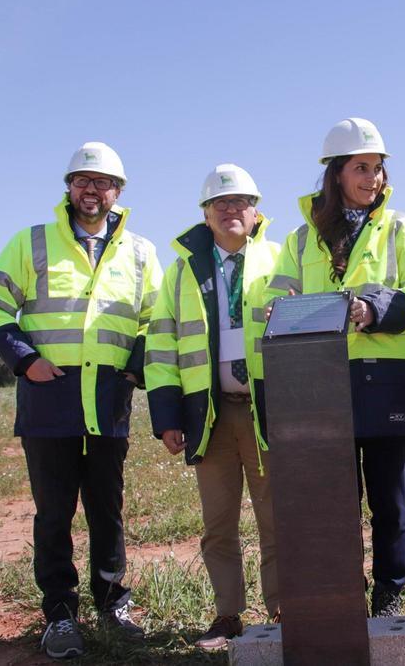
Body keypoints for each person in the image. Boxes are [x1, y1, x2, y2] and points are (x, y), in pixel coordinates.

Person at [0, 141, 162, 659]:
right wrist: (23, 359)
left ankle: (112, 602)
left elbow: (157, 319)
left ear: (118, 191)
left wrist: (134, 365)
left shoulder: (141, 252)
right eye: (82, 179)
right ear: (69, 187)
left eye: (102, 181)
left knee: (108, 509)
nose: (92, 189)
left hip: (108, 402)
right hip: (48, 400)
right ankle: (59, 614)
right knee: (53, 514)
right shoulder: (31, 242)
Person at [265, 118, 405, 617]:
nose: (372, 178)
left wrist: (373, 309)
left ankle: (388, 597)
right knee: (334, 505)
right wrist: (285, 308)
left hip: (387, 384)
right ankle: (341, 598)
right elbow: (278, 297)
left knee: (390, 504)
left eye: (378, 168)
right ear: (336, 173)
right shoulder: (301, 239)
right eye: (361, 168)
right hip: (322, 387)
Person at [145, 164, 281, 650]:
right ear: (205, 214)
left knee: (276, 519)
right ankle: (228, 616)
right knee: (217, 522)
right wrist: (167, 416)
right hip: (210, 415)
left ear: (257, 210)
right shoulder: (181, 271)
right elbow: (161, 346)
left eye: (240, 201)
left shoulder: (281, 261)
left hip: (267, 413)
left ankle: (283, 613)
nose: (230, 210)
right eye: (220, 203)